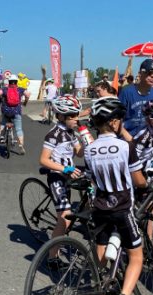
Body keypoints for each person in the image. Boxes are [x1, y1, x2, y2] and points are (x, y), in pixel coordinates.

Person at [84, 96, 147, 295]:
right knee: (136, 256)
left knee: (99, 253)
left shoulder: (89, 149)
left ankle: (100, 294)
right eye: (120, 119)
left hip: (100, 207)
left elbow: (92, 179)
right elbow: (139, 180)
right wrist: (146, 183)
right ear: (113, 122)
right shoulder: (125, 146)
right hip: (122, 207)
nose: (122, 122)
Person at [39, 95, 84, 261]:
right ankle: (52, 257)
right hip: (57, 176)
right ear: (60, 116)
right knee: (64, 217)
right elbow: (43, 160)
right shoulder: (53, 134)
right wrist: (65, 168)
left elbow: (79, 153)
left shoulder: (71, 133)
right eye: (72, 116)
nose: (75, 119)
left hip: (68, 175)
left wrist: (85, 140)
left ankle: (60, 235)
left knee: (68, 215)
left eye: (77, 114)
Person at [119, 58, 153, 137]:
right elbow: (117, 120)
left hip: (150, 139)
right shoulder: (126, 92)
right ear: (140, 74)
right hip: (129, 137)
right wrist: (130, 141)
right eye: (149, 72)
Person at [0, 75, 30, 155]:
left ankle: (2, 137)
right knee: (19, 129)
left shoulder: (5, 89)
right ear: (16, 82)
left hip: (6, 111)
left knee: (3, 123)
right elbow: (28, 94)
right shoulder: (20, 89)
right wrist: (25, 102)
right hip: (16, 111)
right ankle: (21, 146)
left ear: (9, 82)